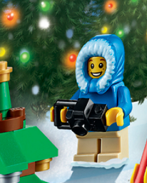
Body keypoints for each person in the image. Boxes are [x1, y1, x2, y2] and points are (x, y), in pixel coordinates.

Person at [51, 34, 133, 163]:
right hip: (87, 127)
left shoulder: (119, 89)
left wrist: (119, 111)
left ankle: (113, 158)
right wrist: (63, 111)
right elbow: (72, 103)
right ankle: (86, 157)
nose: (95, 69)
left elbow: (126, 104)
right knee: (87, 145)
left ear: (113, 65)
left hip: (111, 128)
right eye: (92, 65)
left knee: (112, 145)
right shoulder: (84, 89)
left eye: (100, 65)